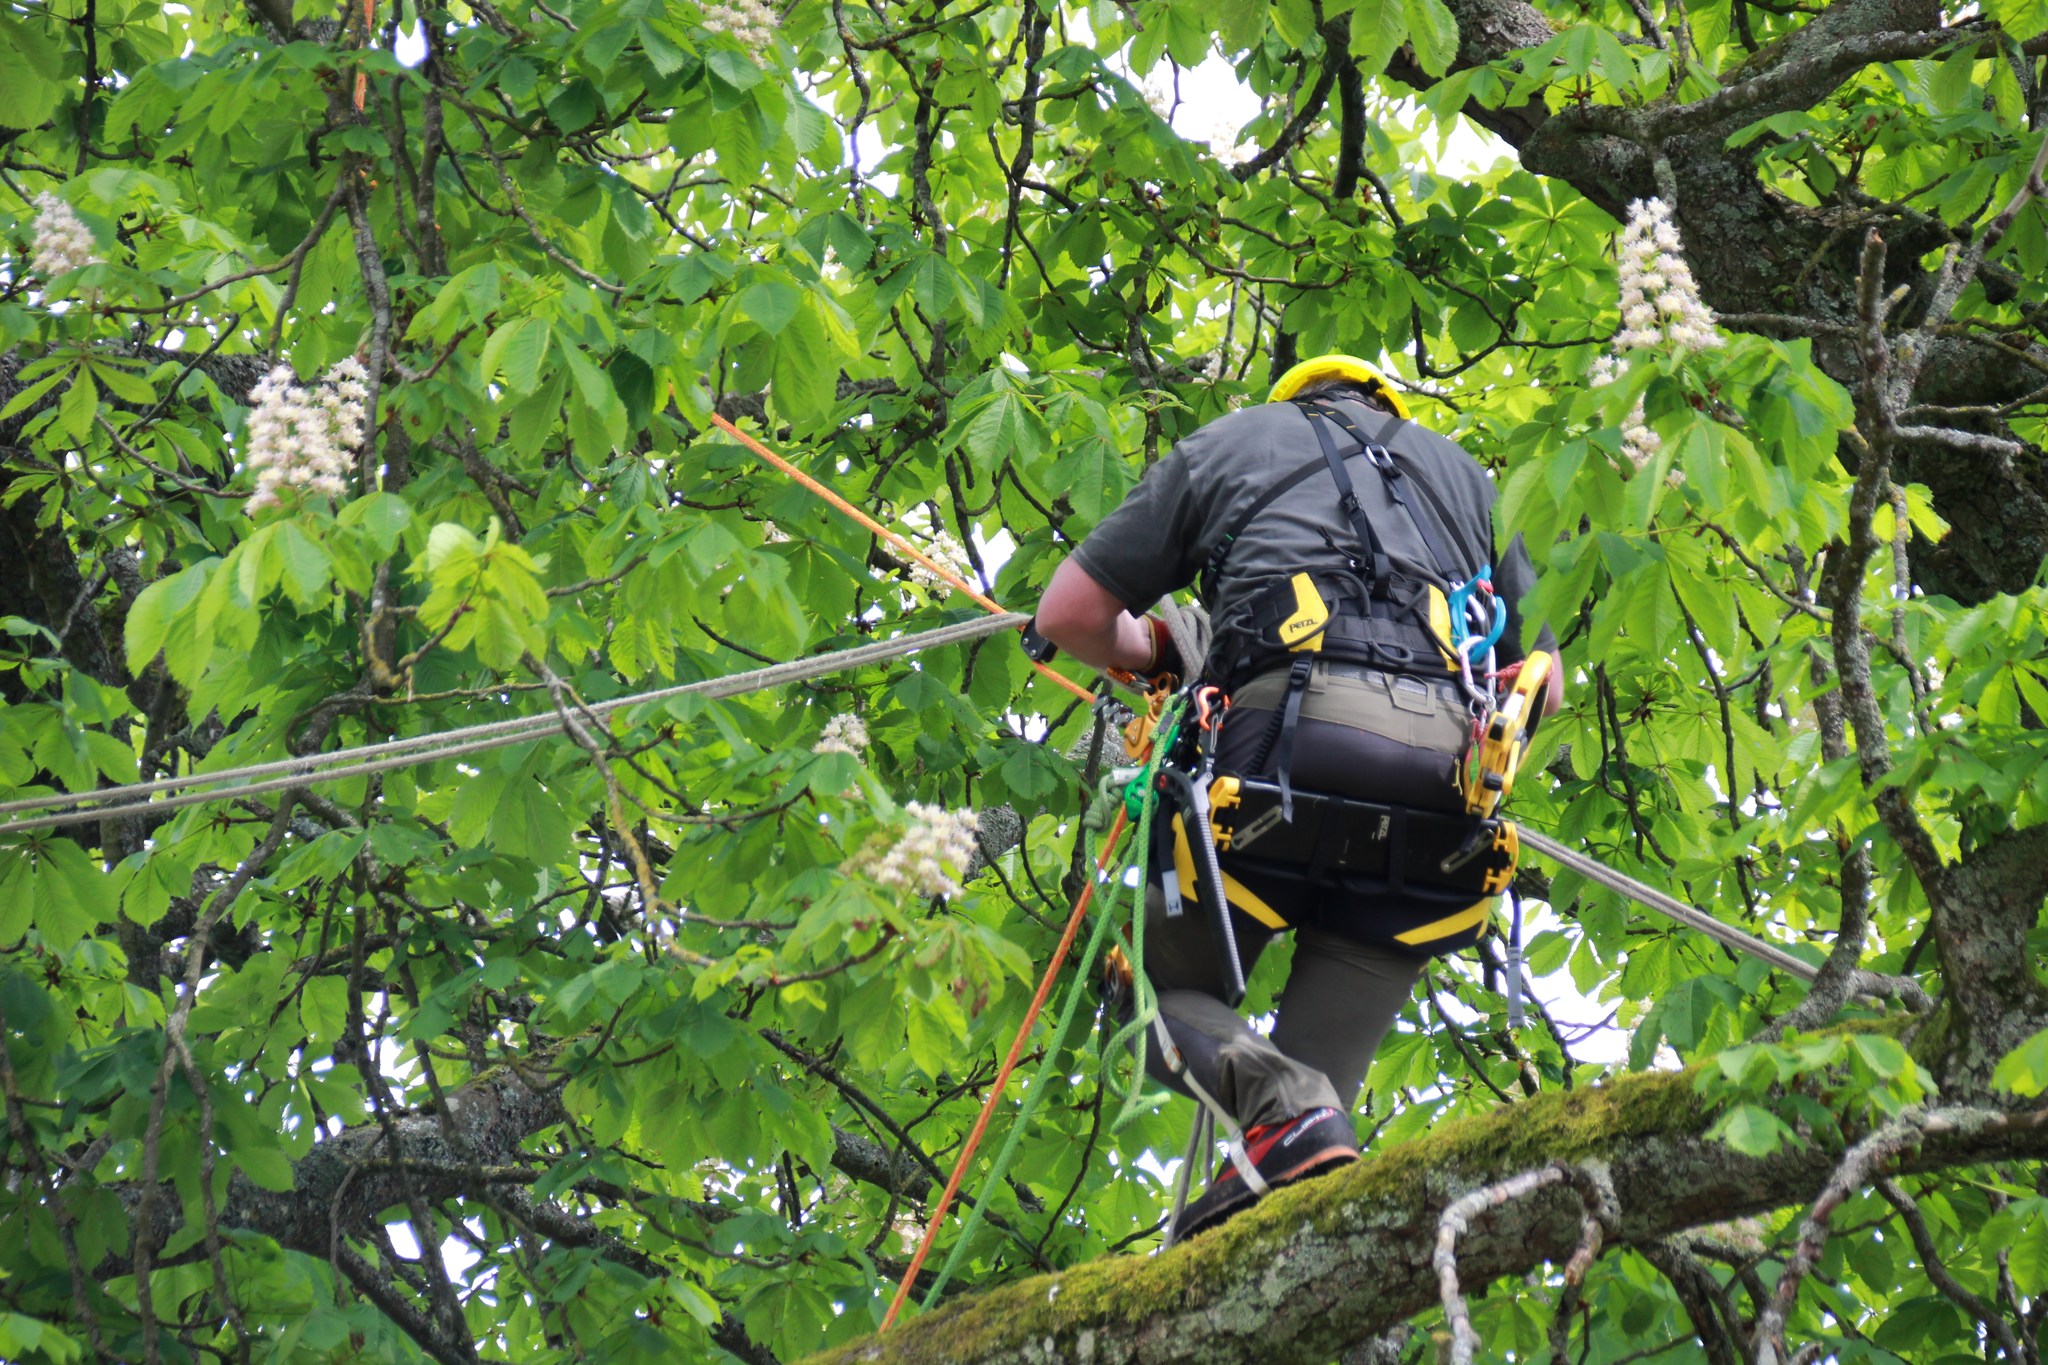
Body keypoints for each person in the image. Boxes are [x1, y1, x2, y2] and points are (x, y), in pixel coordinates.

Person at [1030, 355, 1562, 1241]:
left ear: (1295, 399)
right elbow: (1538, 685)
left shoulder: (1233, 443)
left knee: (1139, 995)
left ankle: (1282, 1114)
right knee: (1306, 1152)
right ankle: (1280, 1160)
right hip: (1440, 807)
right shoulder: (1471, 483)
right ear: (1386, 406)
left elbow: (1070, 615)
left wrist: (1167, 651)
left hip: (1284, 760)